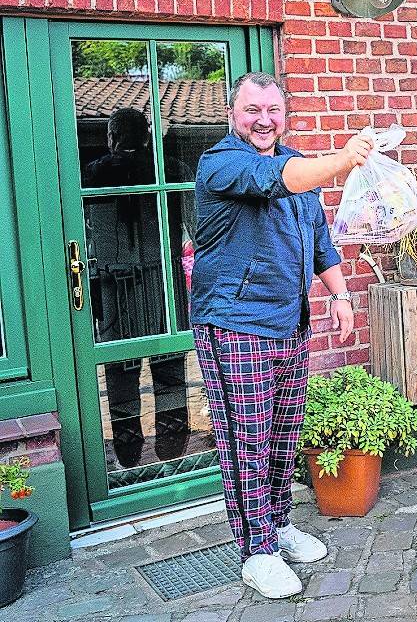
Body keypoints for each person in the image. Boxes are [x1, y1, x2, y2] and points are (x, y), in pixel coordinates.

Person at [191, 72, 374, 599]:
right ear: (233, 113)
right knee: (246, 439)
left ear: (284, 114)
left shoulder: (293, 164)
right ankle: (256, 551)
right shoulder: (221, 164)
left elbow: (318, 236)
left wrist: (339, 295)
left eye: (273, 109)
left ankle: (278, 525)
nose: (264, 119)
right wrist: (344, 159)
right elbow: (281, 180)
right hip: (234, 322)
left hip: (288, 323)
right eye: (252, 109)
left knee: (281, 434)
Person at [84, 108, 191, 470]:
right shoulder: (171, 169)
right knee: (170, 365)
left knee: (121, 369)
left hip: (117, 283)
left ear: (112, 137)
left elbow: (85, 235)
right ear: (148, 137)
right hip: (163, 280)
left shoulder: (93, 173)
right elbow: (194, 228)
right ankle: (173, 451)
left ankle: (129, 455)